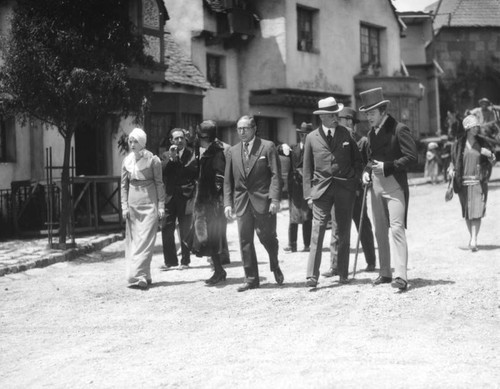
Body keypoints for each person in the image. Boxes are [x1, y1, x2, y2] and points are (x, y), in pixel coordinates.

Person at [360, 87, 417, 291]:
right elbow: (371, 158)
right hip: (375, 186)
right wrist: (367, 170)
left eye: (371, 113)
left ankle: (401, 275)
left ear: (382, 111)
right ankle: (385, 272)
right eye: (366, 113)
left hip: (395, 186)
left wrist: (388, 166)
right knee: (379, 231)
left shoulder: (399, 129)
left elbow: (412, 157)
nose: (368, 117)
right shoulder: (370, 133)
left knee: (397, 229)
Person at [302, 97, 363, 287]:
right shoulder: (311, 137)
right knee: (317, 231)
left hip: (345, 189)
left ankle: (343, 273)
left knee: (343, 232)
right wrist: (308, 195)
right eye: (331, 115)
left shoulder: (347, 134)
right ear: (322, 117)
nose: (336, 117)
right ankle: (312, 275)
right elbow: (306, 169)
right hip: (320, 191)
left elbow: (358, 161)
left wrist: (354, 180)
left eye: (336, 114)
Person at [224, 115, 284, 292]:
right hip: (242, 202)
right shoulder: (232, 152)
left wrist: (275, 199)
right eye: (239, 129)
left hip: (263, 200)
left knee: (266, 237)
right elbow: (228, 181)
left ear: (254, 128)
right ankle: (251, 279)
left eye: (246, 128)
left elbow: (275, 175)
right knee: (245, 240)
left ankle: (274, 263)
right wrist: (228, 203)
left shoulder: (267, 147)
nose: (242, 132)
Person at [323, 107, 377, 277]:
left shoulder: (363, 142)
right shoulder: (335, 139)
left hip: (357, 191)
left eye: (340, 119)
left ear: (349, 122)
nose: (337, 122)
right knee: (337, 227)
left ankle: (371, 260)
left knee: (362, 224)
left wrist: (362, 185)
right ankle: (335, 265)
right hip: (339, 190)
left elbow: (367, 164)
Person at [121, 127, 165, 289]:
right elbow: (123, 186)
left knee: (145, 241)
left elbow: (159, 183)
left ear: (142, 143)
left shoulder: (153, 161)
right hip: (133, 206)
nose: (132, 144)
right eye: (130, 141)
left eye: (135, 142)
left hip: (149, 204)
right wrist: (124, 206)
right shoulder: (127, 161)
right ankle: (145, 274)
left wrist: (161, 205)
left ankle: (138, 275)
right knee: (135, 241)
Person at [187, 120, 229, 285]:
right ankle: (219, 270)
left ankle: (219, 271)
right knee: (208, 239)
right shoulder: (206, 150)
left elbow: (220, 176)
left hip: (211, 203)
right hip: (204, 202)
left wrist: (217, 200)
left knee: (212, 238)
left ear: (203, 136)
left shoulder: (217, 152)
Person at [448, 114, 496, 252]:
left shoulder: (483, 143)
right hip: (462, 183)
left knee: (478, 211)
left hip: (479, 182)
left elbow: (492, 161)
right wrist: (451, 170)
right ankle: (472, 237)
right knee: (467, 213)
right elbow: (452, 161)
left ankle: (474, 239)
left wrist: (490, 155)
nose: (477, 129)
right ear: (468, 128)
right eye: (474, 127)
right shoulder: (458, 144)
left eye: (477, 127)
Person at [160, 128, 198, 270]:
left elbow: (193, 172)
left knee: (185, 229)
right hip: (169, 197)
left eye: (182, 138)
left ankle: (185, 261)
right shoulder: (165, 155)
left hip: (186, 197)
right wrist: (172, 158)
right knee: (166, 228)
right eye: (176, 138)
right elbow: (163, 172)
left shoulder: (192, 154)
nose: (180, 141)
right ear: (171, 141)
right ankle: (170, 261)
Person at [279, 122, 313, 253]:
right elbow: (277, 150)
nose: (303, 137)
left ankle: (307, 244)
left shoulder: (314, 150)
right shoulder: (293, 149)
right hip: (295, 187)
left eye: (305, 134)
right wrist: (282, 146)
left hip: (307, 186)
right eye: (301, 134)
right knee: (293, 217)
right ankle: (292, 244)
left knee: (307, 217)